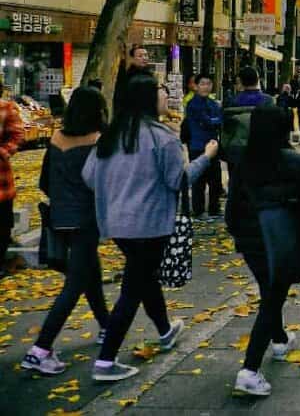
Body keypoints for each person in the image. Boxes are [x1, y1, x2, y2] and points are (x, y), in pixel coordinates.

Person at [82, 74, 218, 381]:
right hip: (151, 224)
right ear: (147, 99)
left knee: (143, 278)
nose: (166, 96)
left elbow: (89, 176)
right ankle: (105, 361)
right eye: (160, 92)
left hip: (116, 223)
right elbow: (179, 180)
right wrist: (207, 158)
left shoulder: (111, 135)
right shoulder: (162, 137)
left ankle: (166, 331)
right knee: (132, 288)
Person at [226, 105, 300, 397]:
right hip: (283, 242)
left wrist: (241, 235)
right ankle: (250, 370)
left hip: (250, 241)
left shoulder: (241, 163)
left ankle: (280, 340)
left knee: (270, 291)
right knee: (272, 298)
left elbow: (231, 211)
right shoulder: (295, 163)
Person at [22, 87, 110, 375]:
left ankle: (107, 327)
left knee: (89, 273)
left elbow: (44, 182)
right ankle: (40, 349)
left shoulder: (56, 139)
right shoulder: (98, 141)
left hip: (60, 217)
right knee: (75, 284)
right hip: (86, 219)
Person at [184, 74, 224, 218]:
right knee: (198, 179)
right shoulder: (193, 104)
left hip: (213, 144)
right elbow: (208, 121)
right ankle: (198, 209)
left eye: (208, 83)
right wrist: (215, 120)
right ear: (196, 86)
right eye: (202, 84)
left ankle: (214, 207)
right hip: (197, 145)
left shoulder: (213, 104)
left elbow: (220, 120)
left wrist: (215, 120)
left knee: (215, 179)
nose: (206, 87)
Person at [0, 84, 25, 276]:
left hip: (1, 178)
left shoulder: (6, 108)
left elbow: (17, 135)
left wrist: (3, 152)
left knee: (2, 222)